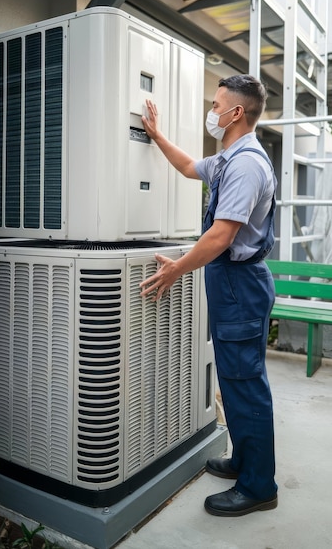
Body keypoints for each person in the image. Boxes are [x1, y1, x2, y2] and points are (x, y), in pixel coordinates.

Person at [140, 74, 278, 517]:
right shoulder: (227, 158)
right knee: (234, 380)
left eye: (216, 104)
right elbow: (187, 167)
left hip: (240, 284)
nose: (212, 111)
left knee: (244, 383)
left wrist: (177, 269)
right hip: (230, 283)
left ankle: (259, 487)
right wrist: (157, 136)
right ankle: (243, 461)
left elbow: (221, 235)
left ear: (236, 113)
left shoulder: (246, 165)